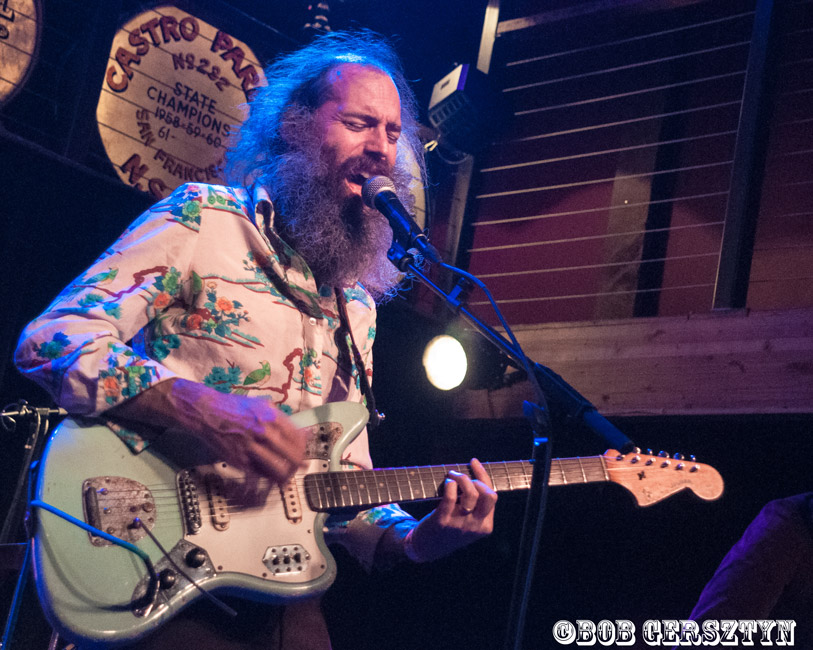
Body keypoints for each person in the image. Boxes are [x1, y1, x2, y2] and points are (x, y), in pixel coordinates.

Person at [14, 30, 497, 649]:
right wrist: (208, 409)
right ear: (293, 126)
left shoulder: (357, 306)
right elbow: (52, 339)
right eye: (358, 123)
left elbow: (344, 482)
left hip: (288, 601)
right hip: (158, 561)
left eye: (394, 133)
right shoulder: (205, 219)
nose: (381, 149)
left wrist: (422, 540)